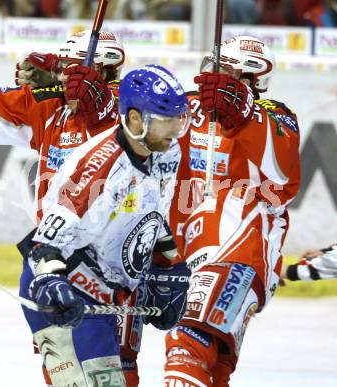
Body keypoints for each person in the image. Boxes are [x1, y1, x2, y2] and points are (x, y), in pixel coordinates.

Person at [0, 29, 126, 383]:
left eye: (74, 69)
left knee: (108, 370)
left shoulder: (130, 108)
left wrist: (101, 103)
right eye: (62, 68)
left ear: (103, 70)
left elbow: (138, 134)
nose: (65, 77)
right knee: (62, 370)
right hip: (48, 255)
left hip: (103, 258)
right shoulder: (51, 108)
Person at [19, 64, 192, 387]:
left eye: (178, 120)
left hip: (103, 289)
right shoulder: (100, 167)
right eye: (166, 120)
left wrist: (170, 264)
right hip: (62, 285)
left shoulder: (167, 151)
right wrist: (52, 284)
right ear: (136, 118)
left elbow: (153, 215)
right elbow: (46, 243)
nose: (174, 129)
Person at [165, 36, 301, 386]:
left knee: (188, 343)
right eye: (214, 68)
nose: (213, 77)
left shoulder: (276, 117)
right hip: (193, 254)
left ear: (251, 79)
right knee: (214, 367)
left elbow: (283, 181)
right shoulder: (191, 108)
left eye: (225, 71)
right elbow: (137, 120)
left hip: (242, 251)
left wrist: (244, 113)